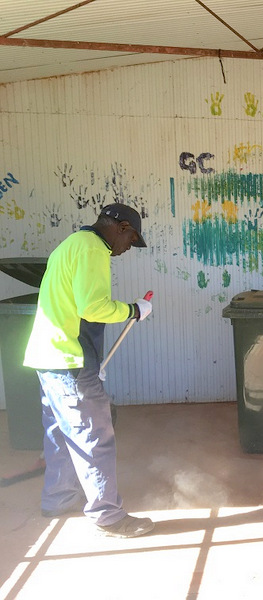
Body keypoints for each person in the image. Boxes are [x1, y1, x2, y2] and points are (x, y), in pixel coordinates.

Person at [23, 203, 155, 538]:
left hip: (48, 355)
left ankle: (59, 497)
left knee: (60, 433)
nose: (126, 250)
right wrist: (134, 310)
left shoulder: (71, 244)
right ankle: (107, 516)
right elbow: (93, 308)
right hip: (70, 359)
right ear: (121, 227)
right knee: (95, 437)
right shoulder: (93, 249)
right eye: (131, 240)